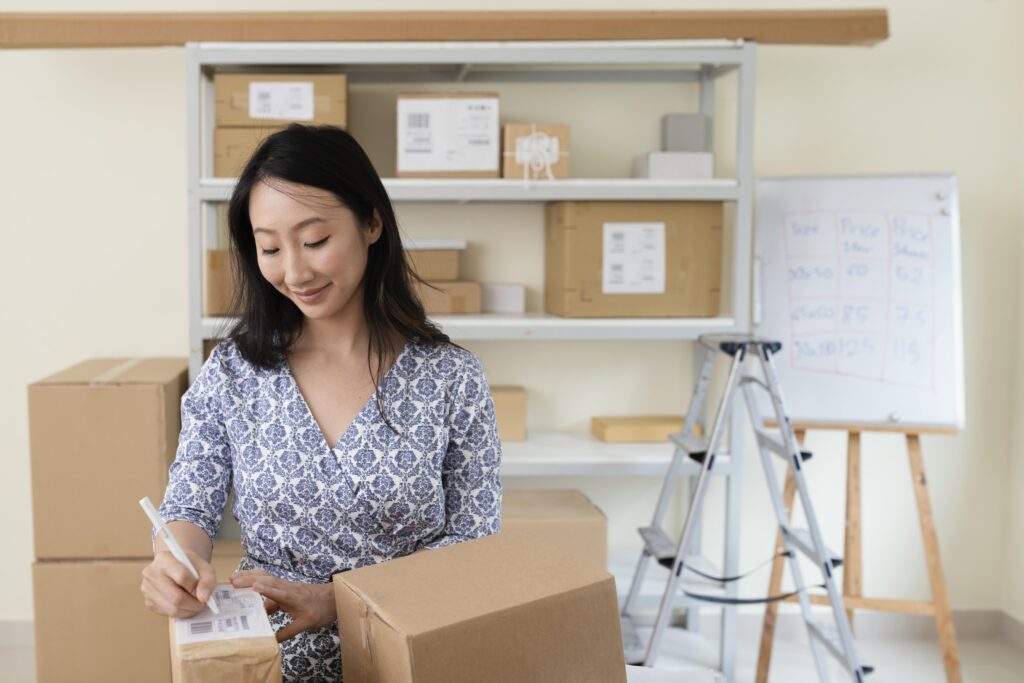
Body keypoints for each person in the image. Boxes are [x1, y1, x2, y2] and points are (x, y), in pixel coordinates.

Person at [140, 124, 503, 682]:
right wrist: (176, 562)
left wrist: (337, 600)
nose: (294, 271)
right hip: (267, 664)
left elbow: (476, 550)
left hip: (415, 656)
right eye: (269, 247)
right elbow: (191, 500)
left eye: (314, 241)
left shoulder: (452, 378)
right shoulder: (233, 374)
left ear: (372, 222)